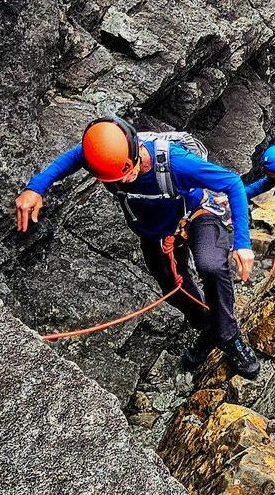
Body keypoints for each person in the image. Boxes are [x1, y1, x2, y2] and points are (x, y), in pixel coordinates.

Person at [16, 117, 261, 378]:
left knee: (211, 265)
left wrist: (242, 243)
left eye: (129, 171)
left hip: (195, 213)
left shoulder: (174, 162)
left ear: (135, 150)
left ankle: (229, 337)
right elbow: (73, 157)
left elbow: (232, 183)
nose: (125, 181)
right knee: (173, 287)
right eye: (117, 178)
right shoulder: (103, 158)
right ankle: (210, 328)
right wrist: (36, 187)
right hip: (156, 231)